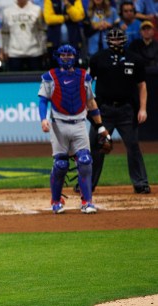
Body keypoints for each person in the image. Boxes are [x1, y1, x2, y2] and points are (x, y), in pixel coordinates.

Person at [38, 44, 106, 214]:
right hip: (58, 124)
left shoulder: (84, 76)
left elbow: (91, 103)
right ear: (57, 56)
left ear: (75, 56)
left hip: (79, 123)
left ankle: (87, 201)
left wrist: (100, 126)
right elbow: (43, 100)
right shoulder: (50, 76)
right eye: (63, 55)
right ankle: (56, 200)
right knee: (61, 164)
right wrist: (43, 119)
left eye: (69, 55)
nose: (66, 58)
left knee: (84, 161)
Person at [88, 27, 150, 194]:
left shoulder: (135, 59)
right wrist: (90, 106)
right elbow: (87, 83)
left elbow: (142, 86)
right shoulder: (97, 59)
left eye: (118, 38)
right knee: (96, 146)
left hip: (126, 110)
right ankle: (87, 184)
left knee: (133, 146)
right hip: (103, 111)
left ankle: (141, 183)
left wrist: (143, 108)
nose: (116, 41)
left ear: (124, 39)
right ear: (108, 40)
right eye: (113, 39)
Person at [1, 0, 45, 71]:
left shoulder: (37, 10)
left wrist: (43, 49)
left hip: (34, 52)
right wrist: (5, 50)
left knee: (35, 80)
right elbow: (5, 33)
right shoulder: (7, 12)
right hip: (14, 53)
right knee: (14, 80)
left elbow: (41, 32)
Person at [42, 0, 85, 67]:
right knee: (55, 69)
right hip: (55, 43)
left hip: (73, 42)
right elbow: (48, 19)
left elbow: (78, 17)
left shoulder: (76, 0)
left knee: (73, 68)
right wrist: (65, 17)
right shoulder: (49, 0)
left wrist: (68, 5)